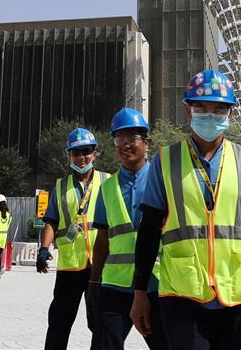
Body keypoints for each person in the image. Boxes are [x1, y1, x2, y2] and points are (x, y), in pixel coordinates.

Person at [130, 69, 241, 349]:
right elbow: (149, 231)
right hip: (182, 292)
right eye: (201, 107)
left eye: (219, 109)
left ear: (230, 113)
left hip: (234, 293)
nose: (210, 115)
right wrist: (139, 292)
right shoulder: (166, 161)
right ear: (188, 111)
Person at [90, 108, 168, 350]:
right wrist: (93, 283)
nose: (125, 144)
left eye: (132, 138)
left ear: (146, 143)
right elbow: (102, 240)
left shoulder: (164, 181)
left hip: (157, 283)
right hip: (115, 286)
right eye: (119, 139)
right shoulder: (107, 188)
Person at [37, 127, 110, 350]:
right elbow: (51, 220)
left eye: (86, 151)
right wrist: (44, 248)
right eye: (76, 152)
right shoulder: (60, 186)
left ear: (95, 153)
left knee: (101, 323)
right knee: (59, 322)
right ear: (69, 155)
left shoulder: (108, 182)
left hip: (101, 265)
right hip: (70, 267)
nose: (81, 157)